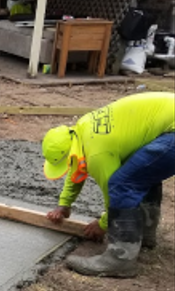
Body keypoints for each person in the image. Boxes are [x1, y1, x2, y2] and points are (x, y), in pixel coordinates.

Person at [42, 91, 175, 278]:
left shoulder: (97, 153)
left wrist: (103, 224)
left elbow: (113, 193)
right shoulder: (83, 130)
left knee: (123, 183)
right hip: (169, 124)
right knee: (141, 171)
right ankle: (144, 234)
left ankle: (120, 259)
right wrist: (64, 204)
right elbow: (77, 169)